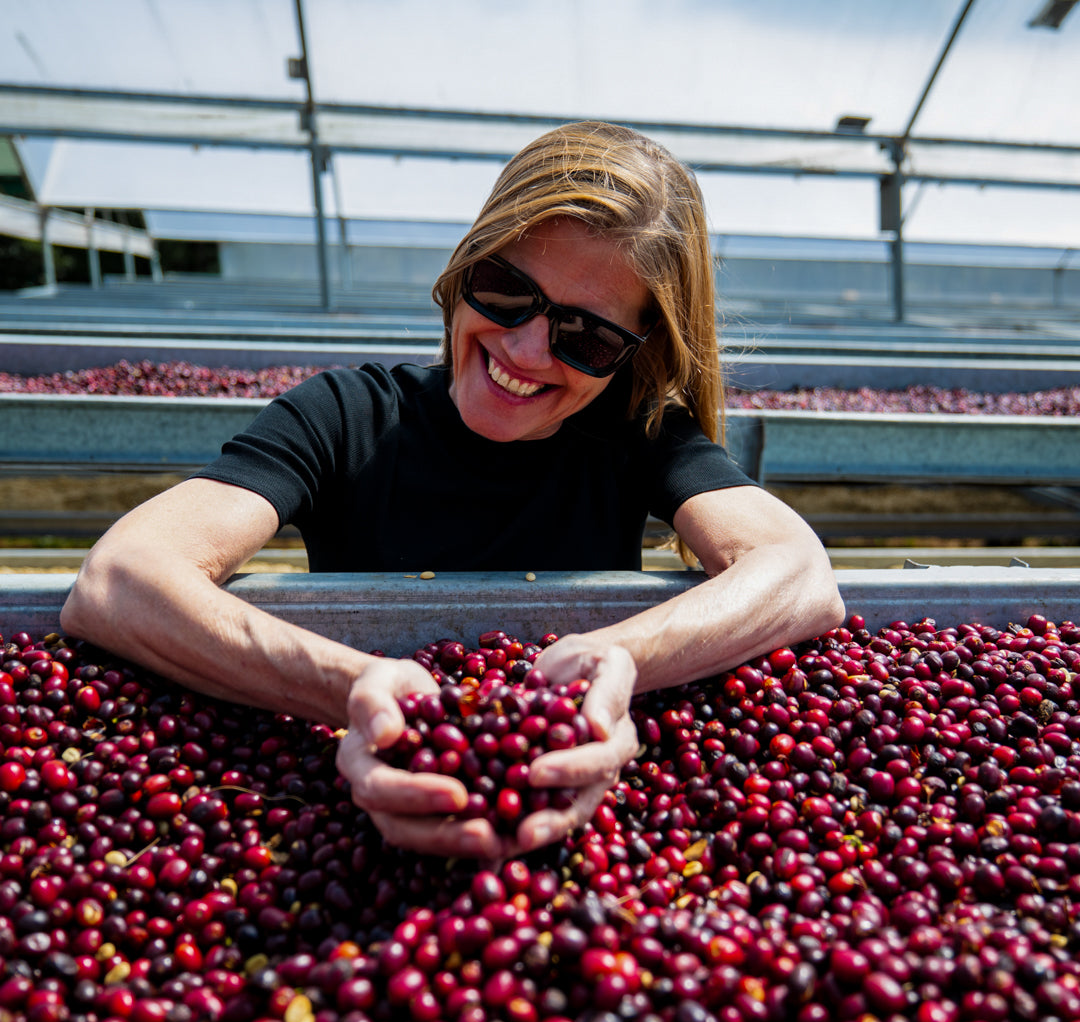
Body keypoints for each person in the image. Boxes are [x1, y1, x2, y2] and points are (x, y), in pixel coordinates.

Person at [61, 121, 845, 862]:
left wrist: (615, 659)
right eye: (505, 288)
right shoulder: (345, 416)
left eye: (588, 335)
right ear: (466, 265)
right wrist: (352, 688)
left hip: (563, 807)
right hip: (341, 798)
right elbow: (120, 579)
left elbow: (799, 574)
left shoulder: (637, 436)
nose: (526, 349)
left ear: (635, 354)